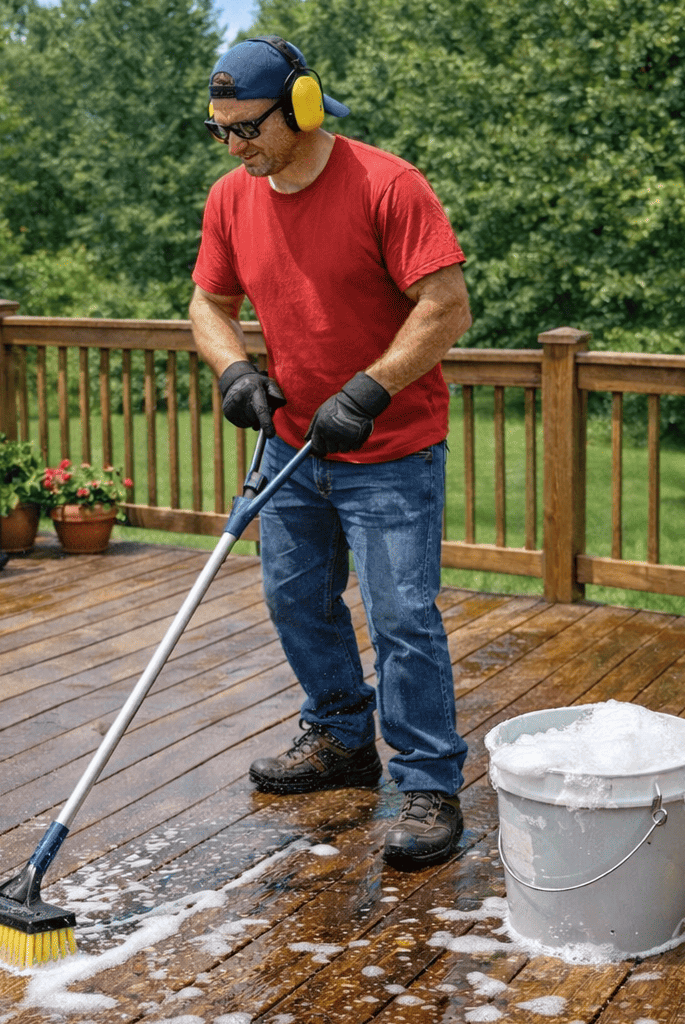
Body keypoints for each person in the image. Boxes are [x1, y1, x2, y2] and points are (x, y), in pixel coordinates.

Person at [189, 35, 471, 870]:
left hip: (389, 449)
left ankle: (427, 783)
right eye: (220, 132)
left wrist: (370, 390)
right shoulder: (232, 199)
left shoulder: (388, 185)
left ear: (304, 107)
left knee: (403, 619)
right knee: (294, 601)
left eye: (248, 129)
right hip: (292, 449)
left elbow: (446, 306)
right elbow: (207, 305)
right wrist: (236, 369)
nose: (235, 147)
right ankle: (342, 736)